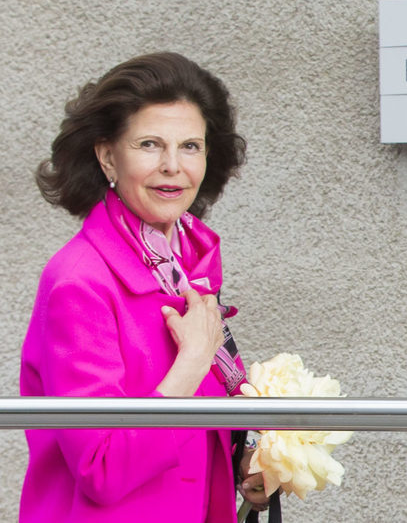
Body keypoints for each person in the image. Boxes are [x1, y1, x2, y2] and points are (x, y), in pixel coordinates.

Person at [21, 52, 271, 522]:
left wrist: (247, 459)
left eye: (190, 146)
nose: (173, 166)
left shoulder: (186, 263)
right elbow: (102, 468)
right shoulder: (79, 281)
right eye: (150, 144)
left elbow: (194, 425)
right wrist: (193, 363)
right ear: (106, 156)